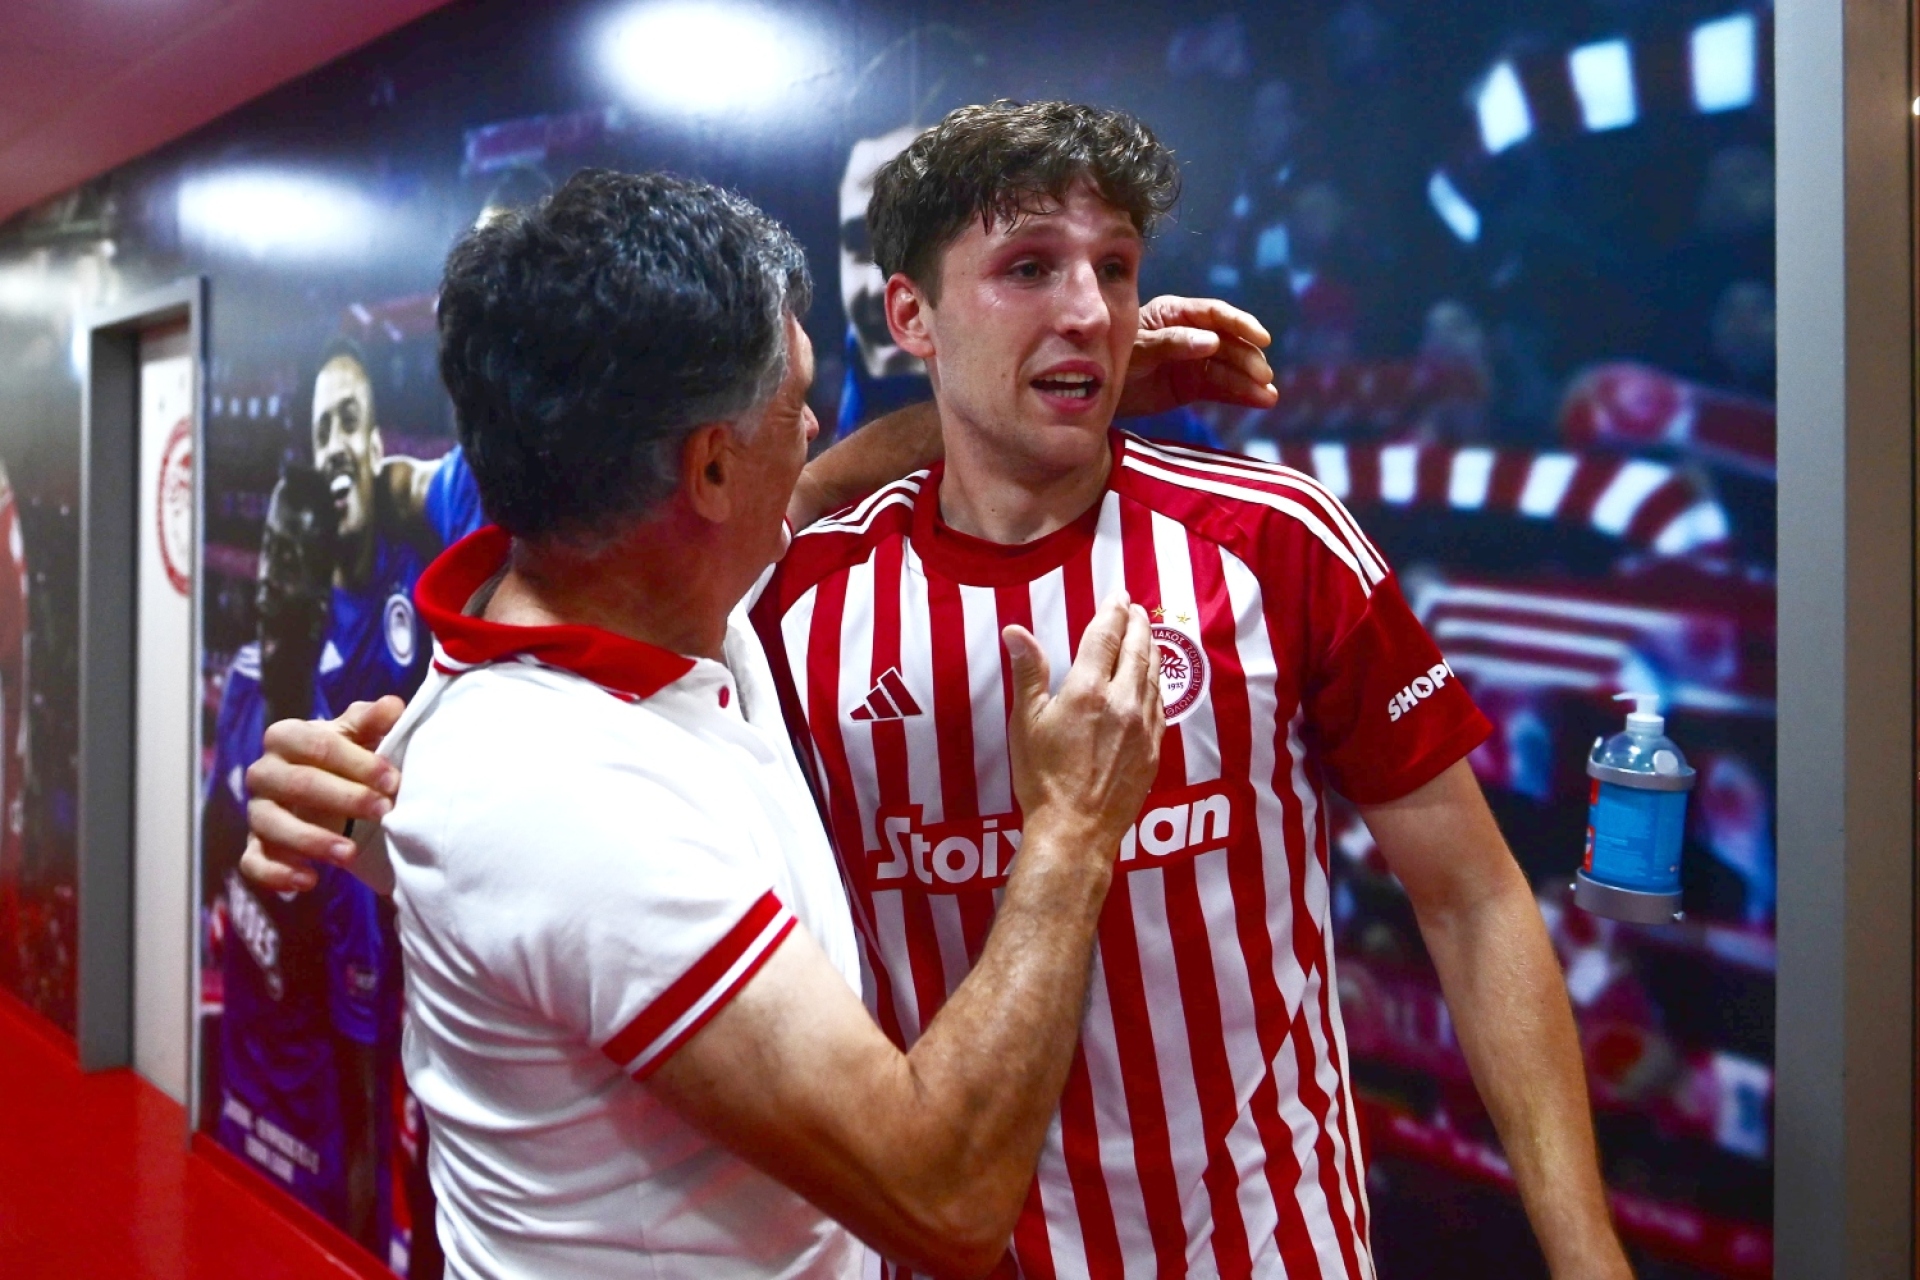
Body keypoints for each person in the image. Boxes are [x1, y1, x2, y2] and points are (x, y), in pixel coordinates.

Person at [249, 103, 1630, 1277]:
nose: (1086, 308)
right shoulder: (779, 603)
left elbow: (1474, 898)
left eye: (1115, 269)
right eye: (1028, 269)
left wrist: (1588, 1258)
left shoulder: (1277, 541)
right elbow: (690, 568)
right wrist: (376, 777)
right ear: (908, 315)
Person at [251, 166, 1201, 1278]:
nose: (814, 425)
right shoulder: (568, 795)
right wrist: (1074, 830)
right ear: (707, 469)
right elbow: (942, 1195)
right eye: (793, 401)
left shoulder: (645, 583)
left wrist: (1045, 396)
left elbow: (811, 487)